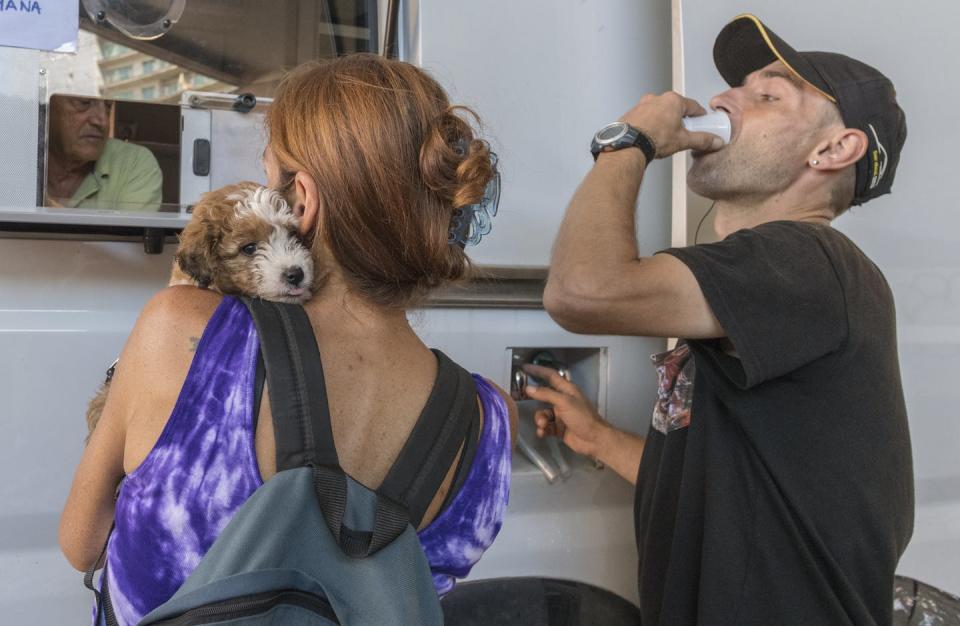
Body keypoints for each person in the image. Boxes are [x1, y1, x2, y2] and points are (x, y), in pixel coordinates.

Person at [59, 54, 516, 626]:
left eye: (266, 167)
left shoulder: (186, 333)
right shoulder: (490, 423)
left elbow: (83, 542)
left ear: (300, 200)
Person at [526, 14, 912, 625]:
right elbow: (719, 481)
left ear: (834, 149)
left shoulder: (808, 260)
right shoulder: (771, 283)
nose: (719, 100)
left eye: (766, 95)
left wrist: (629, 140)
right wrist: (596, 437)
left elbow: (580, 291)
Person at [46, 95, 163, 211]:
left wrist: (46, 205)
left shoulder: (134, 162)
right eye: (84, 102)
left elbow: (127, 230)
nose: (103, 122)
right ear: (46, 106)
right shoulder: (28, 153)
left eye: (108, 106)